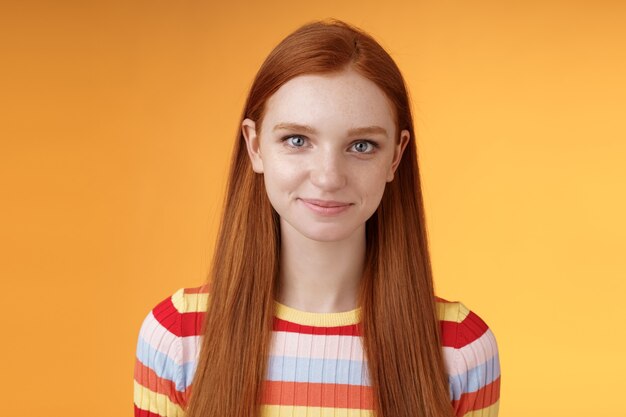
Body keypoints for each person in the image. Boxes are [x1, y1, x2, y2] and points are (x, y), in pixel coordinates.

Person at [133, 19, 501, 417]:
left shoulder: (460, 348)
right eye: (297, 140)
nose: (328, 177)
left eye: (362, 145)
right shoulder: (177, 337)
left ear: (396, 155)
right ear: (255, 147)